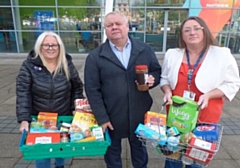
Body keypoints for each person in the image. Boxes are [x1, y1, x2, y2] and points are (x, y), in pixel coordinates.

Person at [84, 11, 161, 168]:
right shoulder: (95, 56)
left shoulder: (144, 49)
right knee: (112, 153)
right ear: (105, 30)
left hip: (139, 111)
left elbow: (156, 71)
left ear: (127, 26)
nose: (114, 27)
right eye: (109, 25)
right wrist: (102, 118)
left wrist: (153, 79)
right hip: (111, 114)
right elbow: (92, 90)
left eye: (118, 24)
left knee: (140, 151)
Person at [160, 16, 240, 168]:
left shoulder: (222, 55)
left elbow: (233, 83)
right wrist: (167, 91)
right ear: (182, 36)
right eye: (187, 30)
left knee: (196, 162)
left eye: (197, 28)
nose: (192, 32)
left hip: (205, 119)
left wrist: (210, 95)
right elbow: (164, 79)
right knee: (172, 160)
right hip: (177, 118)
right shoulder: (172, 54)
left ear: (205, 31)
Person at [16, 31, 84, 168]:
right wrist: (24, 119)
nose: (50, 48)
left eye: (54, 45)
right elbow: (23, 92)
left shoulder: (66, 64)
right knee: (42, 154)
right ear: (39, 47)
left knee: (62, 149)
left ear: (59, 47)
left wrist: (75, 108)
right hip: (39, 121)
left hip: (62, 117)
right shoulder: (29, 66)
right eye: (46, 45)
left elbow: (76, 87)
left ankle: (60, 165)